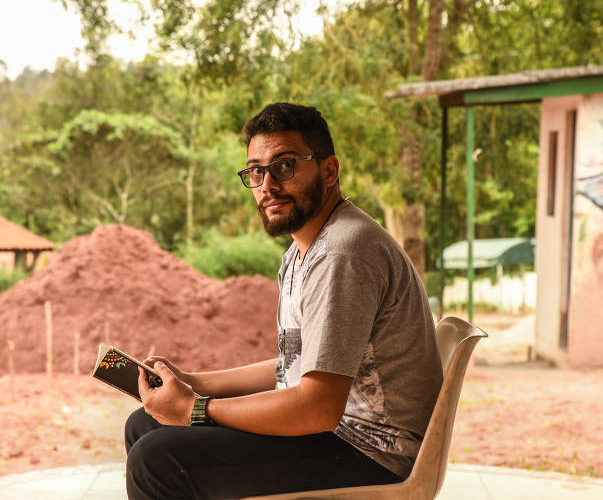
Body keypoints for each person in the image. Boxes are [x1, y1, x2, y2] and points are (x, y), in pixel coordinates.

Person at [124, 102, 443, 500]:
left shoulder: (342, 254)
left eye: (285, 166)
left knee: (157, 460)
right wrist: (193, 383)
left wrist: (197, 408)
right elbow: (294, 363)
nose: (268, 185)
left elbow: (318, 407)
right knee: (145, 425)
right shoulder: (302, 251)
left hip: (369, 450)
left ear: (329, 171)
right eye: (256, 171)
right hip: (332, 433)